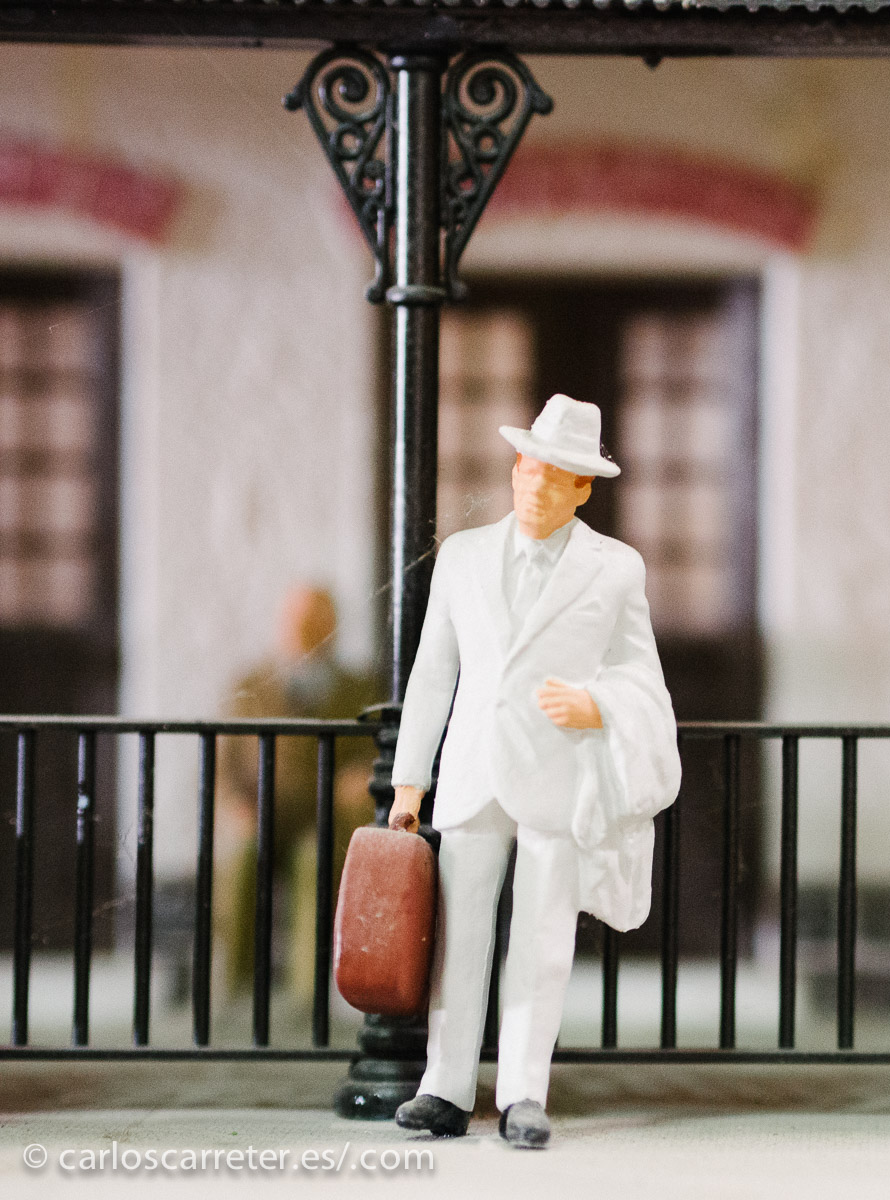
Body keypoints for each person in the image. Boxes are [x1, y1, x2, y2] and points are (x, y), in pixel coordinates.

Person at [387, 393, 680, 1149]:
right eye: (525, 466)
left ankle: (523, 1090)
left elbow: (639, 674)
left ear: (584, 488)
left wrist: (601, 704)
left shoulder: (614, 569)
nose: (532, 484)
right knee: (459, 933)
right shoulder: (465, 556)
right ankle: (444, 1085)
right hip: (475, 767)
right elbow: (432, 674)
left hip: (556, 771)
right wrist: (410, 781)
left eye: (553, 476)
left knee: (543, 940)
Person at [219, 585, 379, 1000]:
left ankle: (306, 995)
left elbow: (372, 752)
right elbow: (225, 761)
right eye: (298, 619)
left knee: (315, 862)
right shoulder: (252, 684)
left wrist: (358, 778)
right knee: (241, 859)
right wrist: (236, 805)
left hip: (327, 818)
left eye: (318, 619)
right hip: (260, 811)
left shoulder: (359, 689)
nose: (307, 629)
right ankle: (236, 988)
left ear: (335, 627)